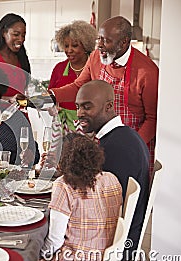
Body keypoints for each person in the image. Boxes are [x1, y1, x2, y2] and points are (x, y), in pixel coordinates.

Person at [49, 16, 158, 178]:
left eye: (106, 41)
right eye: (99, 39)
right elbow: (79, 87)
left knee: (127, 194)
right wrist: (51, 95)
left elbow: (152, 118)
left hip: (134, 144)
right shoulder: (95, 58)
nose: (99, 45)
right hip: (102, 141)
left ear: (124, 42)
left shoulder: (147, 71)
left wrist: (132, 145)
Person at [75, 80, 149, 261]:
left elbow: (100, 207)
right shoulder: (125, 136)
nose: (79, 114)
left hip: (118, 244)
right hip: (122, 235)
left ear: (109, 106)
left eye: (87, 107)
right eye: (78, 107)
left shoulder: (116, 147)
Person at [40, 133, 122, 261]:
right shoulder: (111, 179)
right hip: (104, 259)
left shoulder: (64, 185)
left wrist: (41, 254)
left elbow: (55, 241)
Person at [48, 20, 97, 134]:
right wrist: (53, 108)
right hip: (63, 126)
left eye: (75, 46)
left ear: (86, 46)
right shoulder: (59, 69)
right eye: (66, 46)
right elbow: (51, 97)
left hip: (91, 125)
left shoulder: (96, 66)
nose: (69, 50)